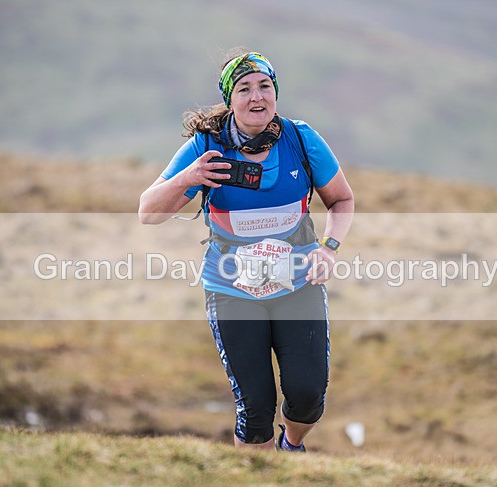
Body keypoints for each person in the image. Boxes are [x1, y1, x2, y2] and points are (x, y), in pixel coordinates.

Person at [139, 48, 354, 451]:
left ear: (275, 92)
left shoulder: (301, 138)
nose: (257, 97)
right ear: (229, 100)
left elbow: (341, 200)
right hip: (232, 290)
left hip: (298, 283)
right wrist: (191, 175)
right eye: (244, 89)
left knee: (308, 396)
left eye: (265, 86)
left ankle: (291, 445)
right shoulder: (208, 146)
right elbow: (147, 212)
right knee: (255, 409)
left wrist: (329, 248)